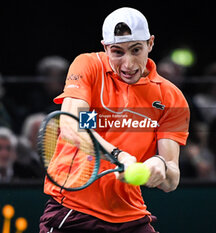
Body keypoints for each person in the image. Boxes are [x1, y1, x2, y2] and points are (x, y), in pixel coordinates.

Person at [39, 7, 190, 233]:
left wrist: (159, 164)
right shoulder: (89, 66)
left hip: (131, 215)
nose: (128, 64)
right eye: (117, 52)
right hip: (74, 211)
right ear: (105, 48)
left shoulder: (170, 98)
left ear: (150, 43)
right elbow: (73, 126)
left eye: (136, 50)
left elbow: (172, 179)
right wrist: (119, 155)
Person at [16, 113, 45, 177]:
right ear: (28, 134)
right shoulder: (20, 161)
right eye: (37, 132)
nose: (42, 136)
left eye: (45, 132)